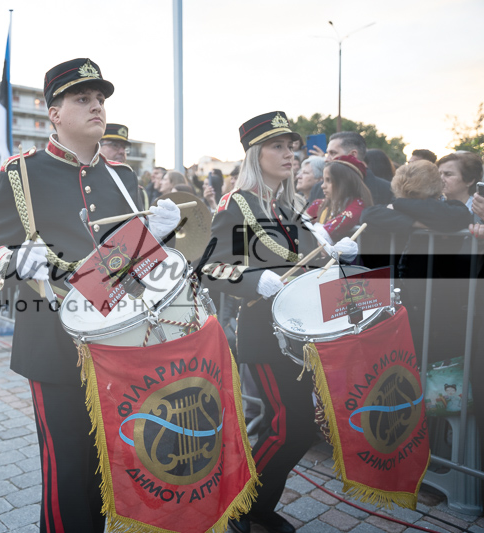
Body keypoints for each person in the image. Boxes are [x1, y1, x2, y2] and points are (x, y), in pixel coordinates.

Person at [0, 58, 181, 533]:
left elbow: (131, 267)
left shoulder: (123, 178)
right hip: (53, 346)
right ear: (54, 114)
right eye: (82, 98)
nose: (96, 106)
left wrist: (158, 239)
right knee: (65, 471)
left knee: (104, 466)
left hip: (118, 342)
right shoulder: (22, 174)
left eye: (100, 98)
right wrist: (14, 259)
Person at [201, 111, 358, 533]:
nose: (290, 154)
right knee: (288, 427)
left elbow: (308, 265)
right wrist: (253, 280)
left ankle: (255, 506)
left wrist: (335, 255)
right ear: (256, 154)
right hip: (264, 332)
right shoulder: (238, 204)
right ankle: (242, 505)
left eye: (292, 147)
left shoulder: (290, 207)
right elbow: (209, 266)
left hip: (301, 331)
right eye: (278, 146)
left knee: (293, 428)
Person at [361, 160, 472, 364]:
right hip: (404, 305)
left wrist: (398, 205)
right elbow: (368, 215)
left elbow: (454, 217)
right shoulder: (394, 211)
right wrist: (416, 223)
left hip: (437, 306)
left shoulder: (451, 208)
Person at [308, 131, 392, 206]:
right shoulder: (318, 189)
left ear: (353, 155)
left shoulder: (386, 190)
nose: (326, 159)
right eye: (327, 153)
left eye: (333, 153)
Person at [307, 155, 373, 243]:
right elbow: (301, 224)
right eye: (323, 180)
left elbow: (344, 220)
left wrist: (321, 234)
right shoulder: (319, 204)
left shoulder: (358, 204)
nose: (322, 186)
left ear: (344, 183)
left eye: (328, 180)